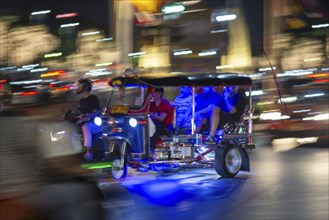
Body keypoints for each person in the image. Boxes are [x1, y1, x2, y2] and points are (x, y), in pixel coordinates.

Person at [75, 78, 101, 161]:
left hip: (94, 125)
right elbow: (79, 113)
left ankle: (89, 151)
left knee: (85, 127)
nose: (78, 88)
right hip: (84, 123)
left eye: (80, 86)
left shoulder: (93, 98)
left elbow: (96, 112)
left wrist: (88, 115)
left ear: (84, 87)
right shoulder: (81, 100)